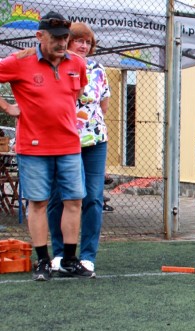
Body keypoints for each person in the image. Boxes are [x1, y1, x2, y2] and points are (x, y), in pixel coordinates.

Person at [0, 12, 92, 281]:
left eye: (66, 38)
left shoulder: (77, 63)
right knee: (38, 203)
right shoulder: (20, 62)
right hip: (33, 147)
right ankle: (42, 261)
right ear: (40, 36)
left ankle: (70, 261)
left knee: (74, 201)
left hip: (69, 145)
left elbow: (74, 95)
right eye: (56, 38)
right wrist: (7, 107)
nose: (63, 43)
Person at [47, 22, 110, 274]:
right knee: (58, 197)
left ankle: (87, 256)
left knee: (93, 198)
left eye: (87, 42)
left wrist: (87, 125)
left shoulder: (98, 69)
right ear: (66, 42)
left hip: (94, 142)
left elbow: (102, 106)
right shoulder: (57, 67)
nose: (83, 45)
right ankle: (60, 254)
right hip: (62, 141)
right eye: (79, 40)